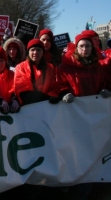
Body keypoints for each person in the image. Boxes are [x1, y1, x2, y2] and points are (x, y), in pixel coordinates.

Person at [55, 33, 109, 200]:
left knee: (92, 152)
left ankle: (88, 185)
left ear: (92, 48)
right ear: (76, 48)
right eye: (81, 46)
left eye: (87, 46)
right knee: (74, 152)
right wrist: (64, 93)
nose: (85, 49)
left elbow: (102, 84)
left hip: (93, 119)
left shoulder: (97, 67)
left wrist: (104, 92)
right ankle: (72, 185)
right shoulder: (65, 68)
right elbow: (58, 85)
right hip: (73, 119)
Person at [14, 39, 59, 106]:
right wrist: (45, 98)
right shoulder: (20, 67)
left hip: (47, 106)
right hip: (28, 106)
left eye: (38, 50)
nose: (35, 52)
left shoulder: (50, 67)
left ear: (43, 52)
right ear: (28, 52)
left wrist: (53, 96)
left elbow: (53, 87)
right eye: (32, 50)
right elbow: (22, 90)